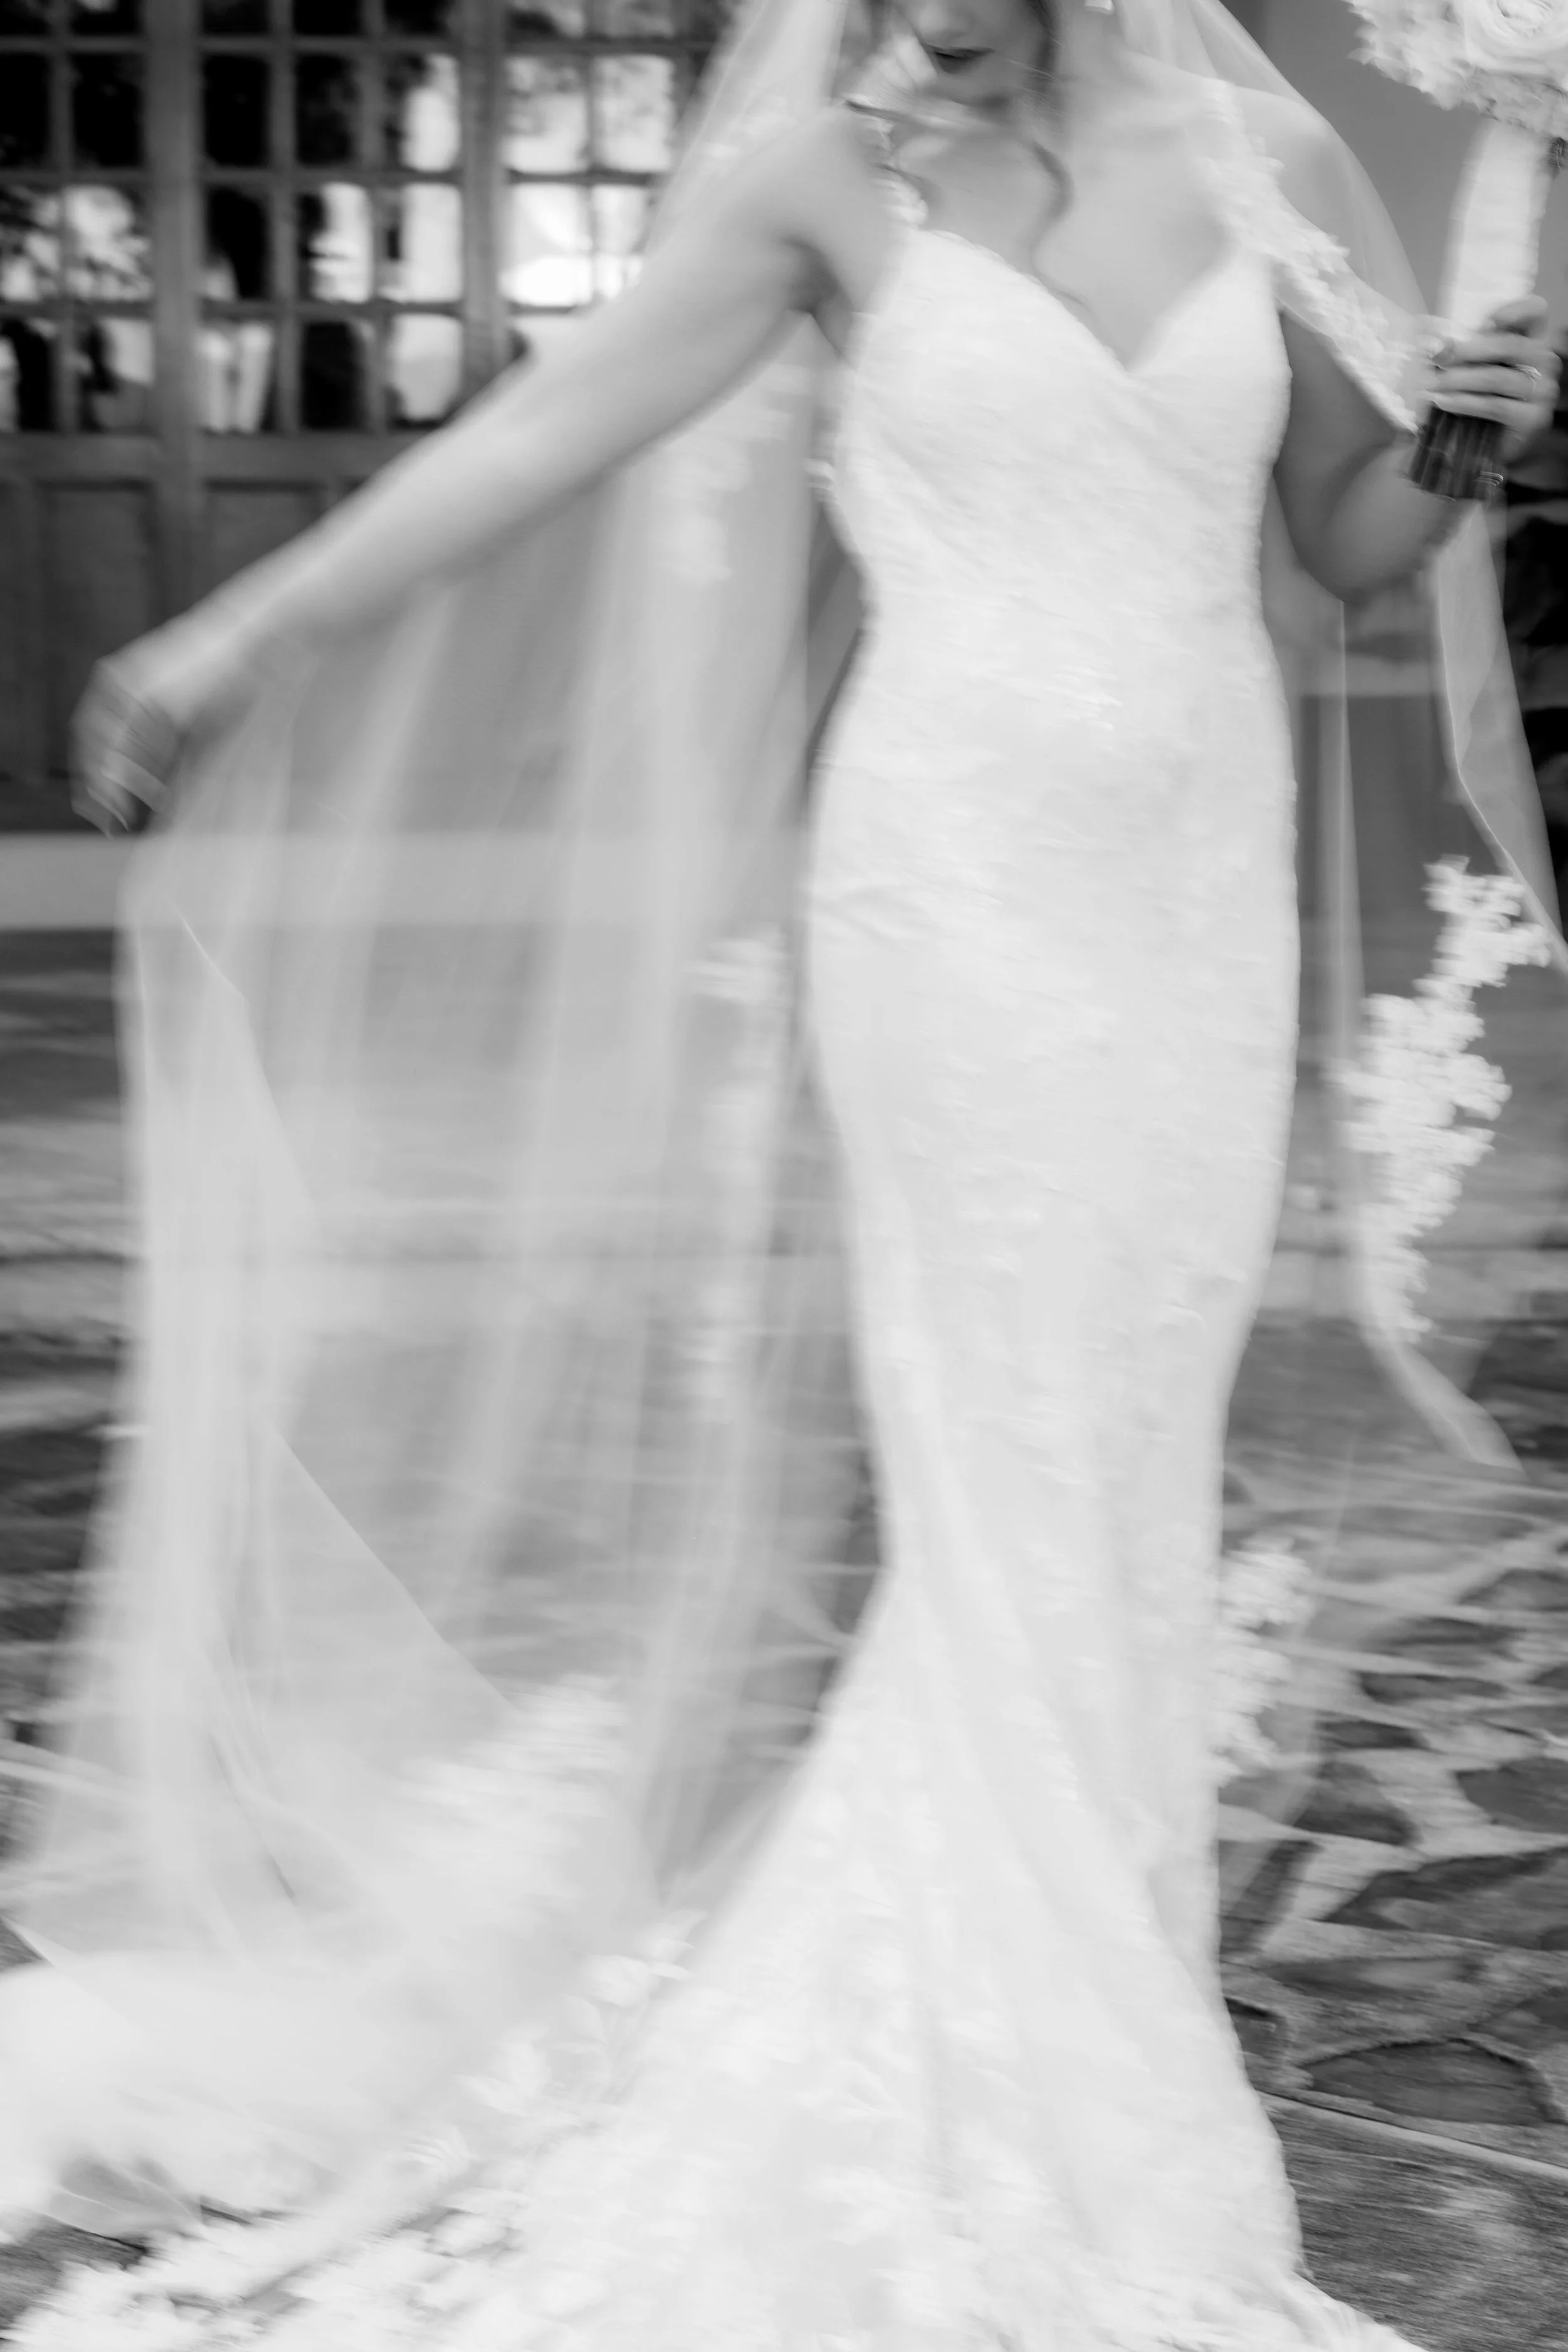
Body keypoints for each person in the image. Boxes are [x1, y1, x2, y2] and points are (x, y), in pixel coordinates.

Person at [3, 0, 1565, 2346]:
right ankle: (1025, 2025)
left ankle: (1078, 1958)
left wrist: (1468, 423)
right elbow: (546, 428)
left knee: (1124, 1436)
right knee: (1002, 1443)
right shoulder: (831, 179)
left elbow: (1345, 546)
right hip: (949, 889)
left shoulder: (1260, 168)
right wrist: (233, 636)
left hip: (1189, 886)